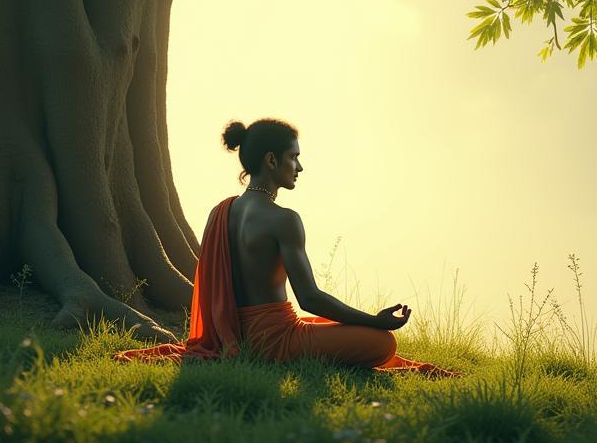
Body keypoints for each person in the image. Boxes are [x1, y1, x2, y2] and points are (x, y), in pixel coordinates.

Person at [114, 118, 460, 378]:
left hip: (237, 335)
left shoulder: (221, 211)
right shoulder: (284, 219)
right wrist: (375, 321)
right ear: (271, 160)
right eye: (294, 157)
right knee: (383, 344)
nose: (300, 167)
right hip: (277, 340)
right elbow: (309, 297)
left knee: (331, 327)